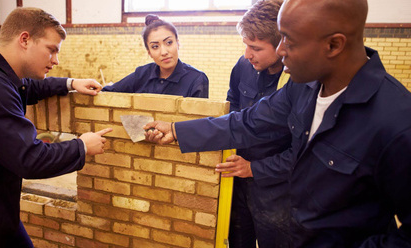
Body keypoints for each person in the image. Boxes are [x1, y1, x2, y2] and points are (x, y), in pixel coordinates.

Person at [145, 0, 411, 247]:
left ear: (333, 45)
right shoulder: (304, 87)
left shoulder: (397, 123)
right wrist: (177, 129)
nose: (281, 50)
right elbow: (247, 122)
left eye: (290, 42)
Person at [0, 7, 112, 247]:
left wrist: (71, 83)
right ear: (25, 40)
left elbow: (26, 87)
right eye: (52, 50)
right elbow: (30, 158)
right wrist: (82, 146)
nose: (56, 60)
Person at [224, 0, 292, 247]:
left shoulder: (297, 79)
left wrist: (255, 168)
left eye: (255, 47)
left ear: (282, 44)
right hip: (238, 181)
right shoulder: (243, 66)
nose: (247, 54)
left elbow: (302, 151)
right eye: (245, 45)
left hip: (277, 191)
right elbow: (231, 105)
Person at [102, 14, 209, 98]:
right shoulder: (141, 74)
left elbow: (198, 123)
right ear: (149, 52)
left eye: (169, 43)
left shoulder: (197, 79)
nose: (163, 52)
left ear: (178, 43)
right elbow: (108, 92)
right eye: (155, 47)